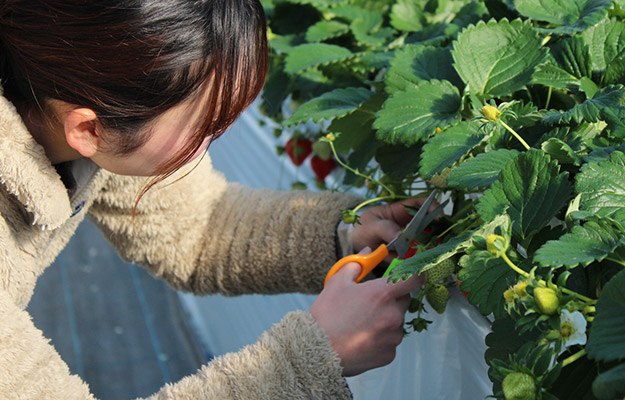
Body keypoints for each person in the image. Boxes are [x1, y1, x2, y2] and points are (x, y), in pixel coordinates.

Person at [0, 1, 424, 398]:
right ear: (89, 131)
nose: (206, 148)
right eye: (202, 128)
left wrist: (343, 233)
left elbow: (195, 226)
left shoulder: (78, 99)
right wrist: (307, 362)